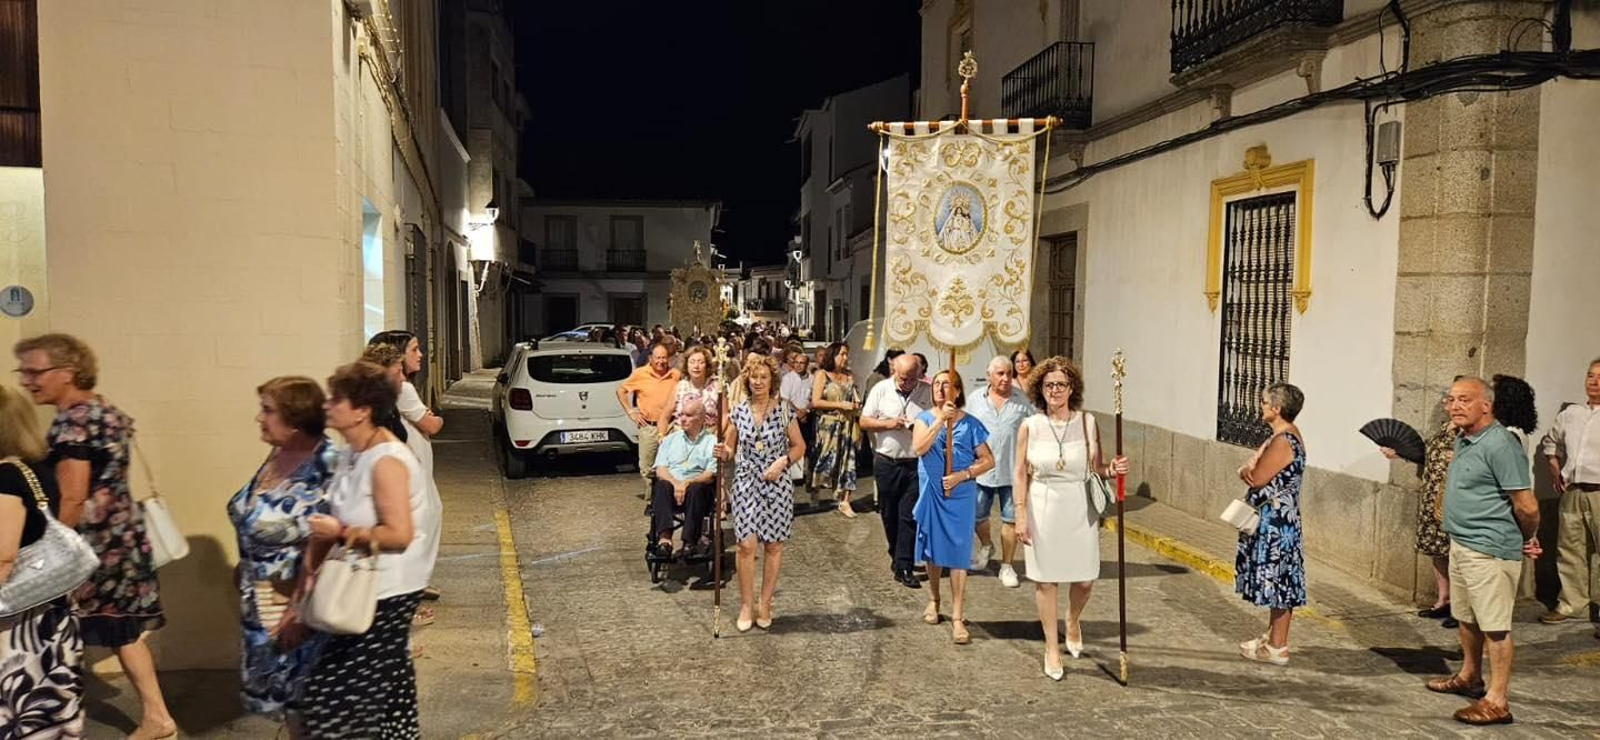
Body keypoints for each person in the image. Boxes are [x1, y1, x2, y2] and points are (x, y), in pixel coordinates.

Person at [14, 334, 176, 739]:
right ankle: (157, 717)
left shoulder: (76, 420)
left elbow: (72, 496)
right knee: (122, 630)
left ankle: (59, 716)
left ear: (68, 373)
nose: (27, 381)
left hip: (93, 545)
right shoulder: (104, 409)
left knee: (63, 628)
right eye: (24, 372)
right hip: (119, 540)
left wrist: (52, 554)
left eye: (35, 371)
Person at [300, 362, 436, 738]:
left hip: (387, 591)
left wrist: (341, 532)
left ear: (361, 410)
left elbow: (399, 534)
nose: (327, 405)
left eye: (337, 399)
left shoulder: (386, 461)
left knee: (332, 697)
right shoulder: (353, 452)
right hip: (366, 582)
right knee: (392, 690)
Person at [1424, 376, 1540, 725]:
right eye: (1451, 399)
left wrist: (1526, 537)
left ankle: (1497, 700)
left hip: (1490, 548)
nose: (1454, 406)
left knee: (1495, 626)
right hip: (1462, 543)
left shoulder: (1501, 444)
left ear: (1486, 405)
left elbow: (1528, 505)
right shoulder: (1465, 438)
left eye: (1464, 400)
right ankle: (1470, 676)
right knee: (1466, 616)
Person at [228, 376, 333, 725]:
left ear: (296, 419)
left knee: (311, 711)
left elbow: (331, 544)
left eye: (267, 410)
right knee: (291, 713)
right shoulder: (279, 454)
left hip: (297, 610)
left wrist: (298, 607)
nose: (259, 418)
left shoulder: (326, 464)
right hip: (261, 605)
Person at [1014, 357, 1128, 680]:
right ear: (1040, 388)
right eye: (1048, 385)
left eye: (1061, 384)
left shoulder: (1087, 423)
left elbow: (1097, 469)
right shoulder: (1030, 427)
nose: (1055, 390)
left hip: (1079, 507)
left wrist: (1113, 471)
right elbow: (1020, 472)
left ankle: (1073, 619)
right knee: (1046, 580)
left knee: (1085, 580)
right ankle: (1052, 646)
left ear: (1071, 387)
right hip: (1043, 505)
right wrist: (1020, 513)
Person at [0, 384, 85, 738]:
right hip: (47, 612)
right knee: (49, 713)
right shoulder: (35, 469)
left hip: (15, 624)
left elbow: (3, 557)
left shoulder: (4, 479)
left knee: (19, 713)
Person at [713, 356, 805, 632]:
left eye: (764, 377)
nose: (758, 382)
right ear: (747, 380)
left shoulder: (785, 411)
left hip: (777, 483)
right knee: (746, 545)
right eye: (754, 377)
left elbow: (800, 446)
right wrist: (722, 452)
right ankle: (746, 604)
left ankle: (765, 602)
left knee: (774, 545)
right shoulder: (739, 412)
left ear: (772, 380)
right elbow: (729, 449)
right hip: (746, 483)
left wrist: (783, 462)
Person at [911, 370, 994, 645]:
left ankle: (958, 617)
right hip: (932, 490)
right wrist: (939, 422)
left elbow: (987, 460)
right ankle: (934, 599)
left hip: (960, 493)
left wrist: (963, 475)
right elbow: (919, 449)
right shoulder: (923, 419)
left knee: (959, 554)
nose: (940, 388)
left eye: (946, 384)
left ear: (957, 392)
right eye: (936, 384)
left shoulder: (971, 424)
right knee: (933, 550)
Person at [369, 331, 446, 615]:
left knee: (429, 516)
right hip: (410, 471)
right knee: (423, 520)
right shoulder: (402, 389)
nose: (421, 355)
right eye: (414, 349)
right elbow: (432, 425)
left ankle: (414, 585)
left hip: (415, 467)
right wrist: (435, 417)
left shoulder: (399, 390)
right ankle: (412, 588)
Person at [1233, 383, 1309, 667]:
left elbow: (1257, 477)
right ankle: (1272, 637)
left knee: (1279, 581)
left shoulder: (1283, 440)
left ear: (1277, 408)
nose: (1261, 405)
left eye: (1265, 402)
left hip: (1277, 523)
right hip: (1280, 518)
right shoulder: (1284, 437)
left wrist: (1244, 469)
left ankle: (1278, 646)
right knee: (1279, 579)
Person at [1381, 392, 1463, 629]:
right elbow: (1426, 456)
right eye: (1449, 400)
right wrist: (1399, 454)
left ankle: (1460, 607)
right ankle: (1443, 599)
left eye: (1458, 400)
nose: (1450, 405)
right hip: (1431, 496)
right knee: (1436, 549)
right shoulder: (1443, 427)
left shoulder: (1469, 432)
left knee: (1454, 552)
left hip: (1452, 498)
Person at [862, 354, 933, 588]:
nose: (908, 383)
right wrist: (889, 424)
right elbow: (864, 421)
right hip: (886, 461)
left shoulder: (927, 391)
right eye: (903, 379)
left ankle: (904, 565)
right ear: (895, 372)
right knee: (889, 513)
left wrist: (920, 426)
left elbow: (937, 420)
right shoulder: (881, 389)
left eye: (913, 379)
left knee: (909, 515)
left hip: (915, 463)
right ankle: (896, 553)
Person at [1539, 358, 1600, 633]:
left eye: (1599, 377)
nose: (1594, 381)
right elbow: (1550, 442)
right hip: (1574, 490)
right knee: (1570, 550)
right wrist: (1554, 467)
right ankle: (1572, 604)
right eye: (1590, 375)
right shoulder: (1571, 414)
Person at [967, 356, 1033, 587]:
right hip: (982, 470)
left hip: (1012, 470)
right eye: (1000, 374)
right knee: (975, 515)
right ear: (989, 376)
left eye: (1008, 373)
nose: (1005, 378)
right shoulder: (974, 400)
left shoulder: (1022, 400)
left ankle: (1007, 566)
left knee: (1011, 519)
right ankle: (986, 545)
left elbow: (1034, 430)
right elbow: (965, 430)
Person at [649, 397, 718, 560]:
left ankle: (689, 541)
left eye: (688, 415)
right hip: (671, 488)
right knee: (661, 485)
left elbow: (710, 473)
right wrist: (676, 484)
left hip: (698, 490)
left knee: (696, 489)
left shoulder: (711, 442)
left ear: (702, 418)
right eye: (681, 415)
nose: (682, 419)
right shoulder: (670, 440)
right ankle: (665, 539)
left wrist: (687, 483)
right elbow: (660, 468)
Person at [617, 342, 683, 495]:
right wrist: (630, 411)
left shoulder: (676, 375)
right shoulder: (640, 374)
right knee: (647, 466)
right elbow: (621, 390)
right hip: (649, 426)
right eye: (658, 358)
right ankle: (651, 498)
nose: (661, 361)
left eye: (664, 358)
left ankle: (670, 497)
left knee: (671, 464)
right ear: (650, 358)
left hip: (670, 426)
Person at [809, 342, 862, 516]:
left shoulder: (849, 376)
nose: (845, 358)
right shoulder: (822, 375)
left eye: (847, 354)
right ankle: (815, 489)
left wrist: (855, 405)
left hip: (847, 425)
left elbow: (855, 397)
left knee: (848, 462)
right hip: (828, 425)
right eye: (842, 354)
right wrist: (839, 404)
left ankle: (845, 500)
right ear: (833, 355)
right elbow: (815, 402)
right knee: (824, 460)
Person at [659, 345, 721, 439]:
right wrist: (661, 436)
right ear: (686, 365)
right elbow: (665, 416)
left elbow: (724, 417)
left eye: (701, 362)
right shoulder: (680, 387)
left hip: (708, 440)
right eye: (692, 362)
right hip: (681, 439)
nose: (696, 366)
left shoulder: (717, 387)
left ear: (707, 366)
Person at [778, 345, 815, 502]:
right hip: (792, 417)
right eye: (796, 362)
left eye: (802, 363)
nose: (799, 365)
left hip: (807, 416)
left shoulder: (812, 379)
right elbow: (785, 398)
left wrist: (805, 411)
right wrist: (797, 412)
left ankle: (807, 473)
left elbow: (813, 397)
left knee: (809, 445)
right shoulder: (788, 378)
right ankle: (793, 474)